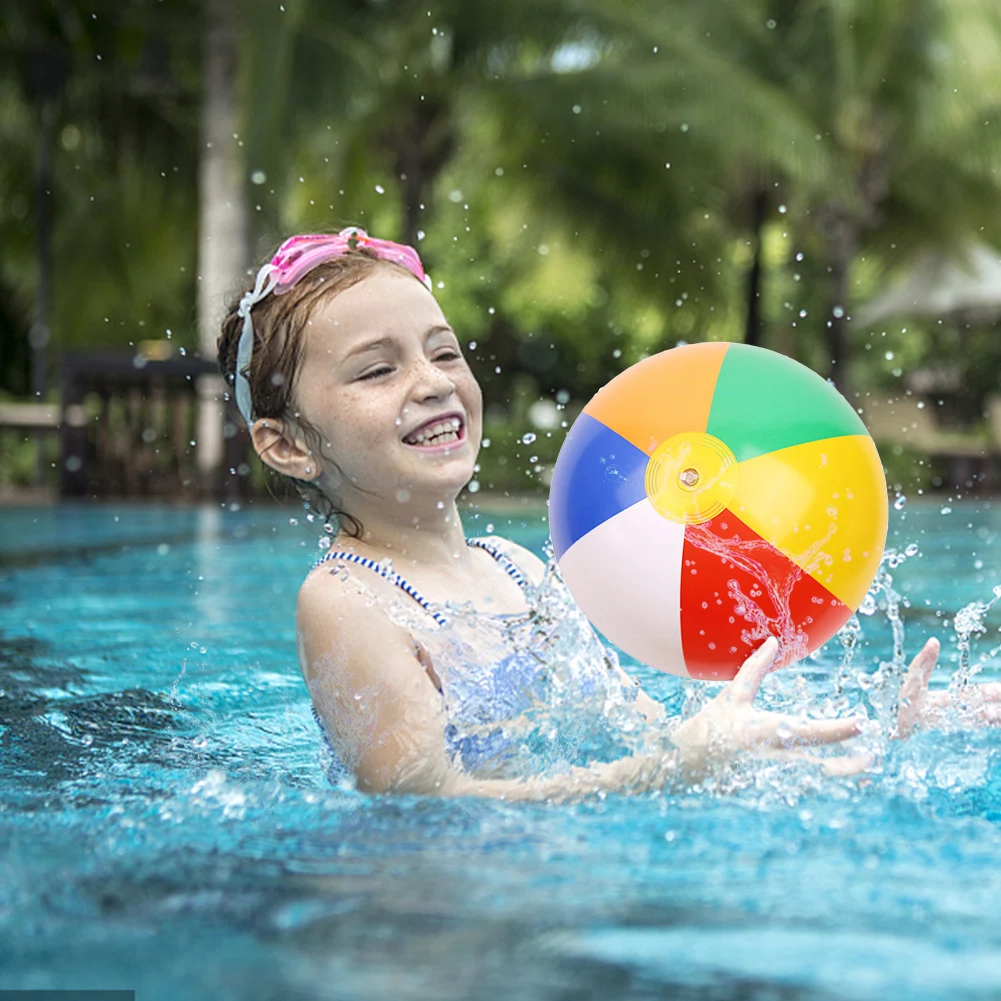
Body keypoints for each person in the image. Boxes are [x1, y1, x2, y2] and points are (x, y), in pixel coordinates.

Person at [216, 228, 998, 802]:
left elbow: (640, 734)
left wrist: (884, 737)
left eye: (443, 351)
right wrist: (668, 769)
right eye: (377, 369)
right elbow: (424, 802)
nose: (430, 382)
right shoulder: (346, 600)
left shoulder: (517, 567)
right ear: (286, 446)